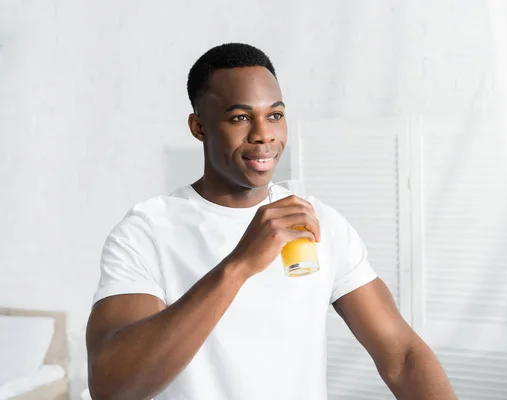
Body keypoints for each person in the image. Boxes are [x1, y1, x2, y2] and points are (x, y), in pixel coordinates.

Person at [86, 43, 457, 400]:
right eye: (240, 117)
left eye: (275, 115)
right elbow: (113, 387)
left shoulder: (317, 222)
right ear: (199, 127)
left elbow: (403, 357)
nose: (264, 134)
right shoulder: (147, 230)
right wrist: (239, 265)